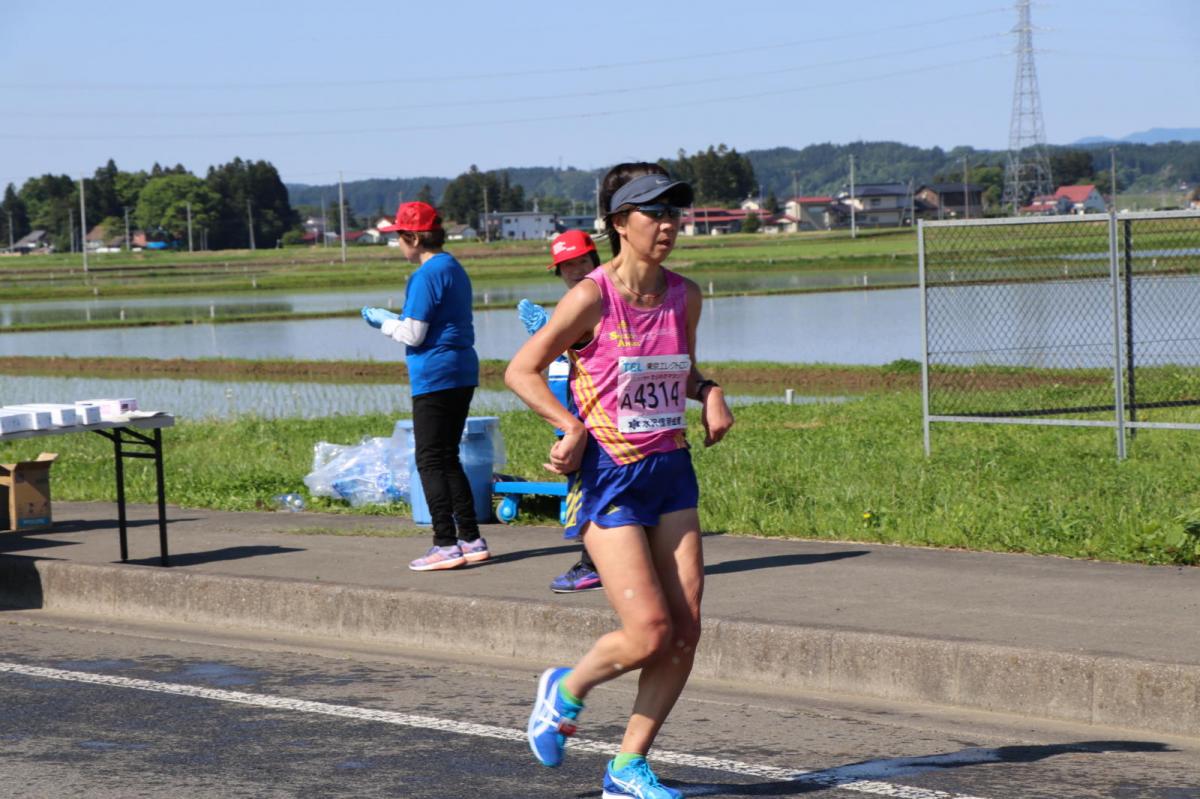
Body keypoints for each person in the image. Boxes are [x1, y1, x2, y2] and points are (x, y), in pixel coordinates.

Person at [505, 164, 735, 798]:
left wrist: (708, 391)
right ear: (618, 224)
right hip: (610, 475)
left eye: (674, 215)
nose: (668, 226)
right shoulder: (591, 297)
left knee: (685, 631)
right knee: (648, 633)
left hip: (671, 471)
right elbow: (522, 370)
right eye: (653, 214)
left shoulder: (685, 295)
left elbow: (680, 368)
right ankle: (567, 688)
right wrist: (566, 426)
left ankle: (626, 767)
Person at [361, 201, 488, 572]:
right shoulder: (454, 267)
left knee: (430, 459)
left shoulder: (426, 274)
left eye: (399, 236)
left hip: (435, 373)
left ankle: (445, 544)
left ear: (414, 237)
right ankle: (471, 538)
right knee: (448, 456)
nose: (398, 244)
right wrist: (397, 320)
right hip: (461, 369)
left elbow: (413, 334)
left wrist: (383, 322)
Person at [516, 229, 604, 593]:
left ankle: (594, 564)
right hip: (575, 410)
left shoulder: (595, 301)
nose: (574, 270)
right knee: (589, 486)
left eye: (581, 261)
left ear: (594, 260)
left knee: (590, 489)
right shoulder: (576, 303)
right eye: (566, 265)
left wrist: (550, 338)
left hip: (594, 412)